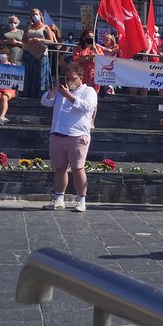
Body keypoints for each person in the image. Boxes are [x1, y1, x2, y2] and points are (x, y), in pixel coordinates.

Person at [42, 61, 99, 212]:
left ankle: (81, 200)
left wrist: (69, 96)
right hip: (57, 134)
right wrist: (54, 89)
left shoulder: (88, 91)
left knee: (77, 168)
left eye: (73, 78)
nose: (69, 82)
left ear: (80, 77)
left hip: (77, 136)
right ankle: (58, 199)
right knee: (59, 168)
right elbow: (45, 101)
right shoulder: (60, 91)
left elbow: (88, 106)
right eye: (67, 78)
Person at [23, 7, 58, 95]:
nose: (34, 16)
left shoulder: (45, 27)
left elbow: (51, 41)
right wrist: (28, 39)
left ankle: (42, 94)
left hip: (41, 54)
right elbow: (23, 39)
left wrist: (40, 40)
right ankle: (29, 93)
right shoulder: (29, 27)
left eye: (36, 14)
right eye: (32, 15)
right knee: (30, 73)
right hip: (30, 53)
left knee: (40, 74)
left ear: (40, 15)